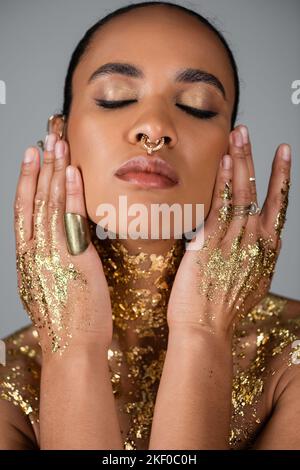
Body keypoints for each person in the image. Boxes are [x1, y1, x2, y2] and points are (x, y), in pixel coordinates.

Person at [1, 1, 300, 450]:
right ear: (58, 136)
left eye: (197, 107)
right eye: (115, 97)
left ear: (231, 151)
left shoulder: (290, 359)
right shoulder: (12, 378)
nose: (155, 128)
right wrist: (72, 349)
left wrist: (202, 334)